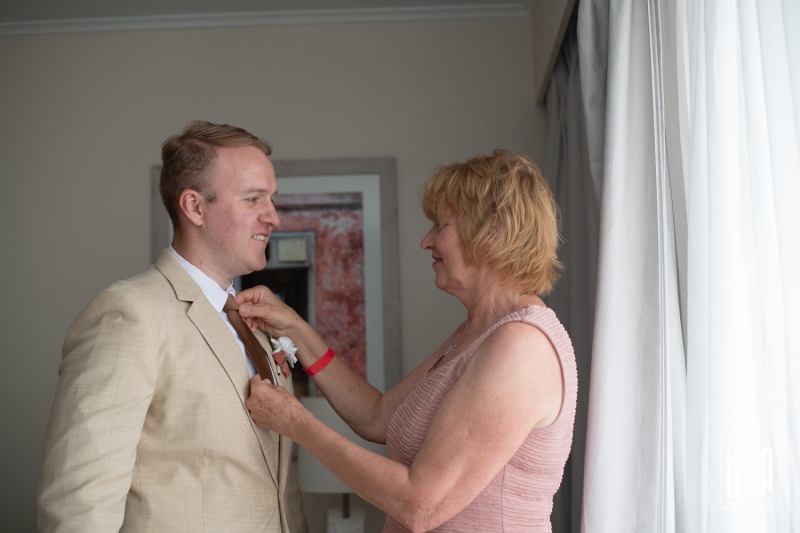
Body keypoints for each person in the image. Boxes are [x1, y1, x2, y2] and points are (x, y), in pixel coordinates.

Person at [240, 149, 578, 532]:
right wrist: (294, 329)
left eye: (440, 225)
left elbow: (421, 506)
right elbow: (377, 416)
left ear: (492, 232)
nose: (426, 241)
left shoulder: (522, 346)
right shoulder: (477, 331)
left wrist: (297, 423)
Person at [36, 120, 308, 533]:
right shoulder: (130, 314)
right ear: (195, 207)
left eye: (271, 199)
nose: (273, 217)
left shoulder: (257, 325)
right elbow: (79, 504)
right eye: (254, 199)